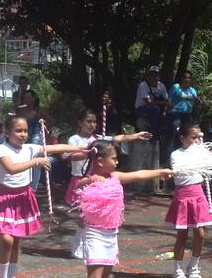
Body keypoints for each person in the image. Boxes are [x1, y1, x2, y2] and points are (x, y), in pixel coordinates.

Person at [65, 140, 172, 278]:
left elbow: (139, 174)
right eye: (113, 158)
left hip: (111, 234)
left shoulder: (115, 177)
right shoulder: (89, 180)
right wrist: (88, 182)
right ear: (99, 160)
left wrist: (160, 172)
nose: (116, 162)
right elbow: (76, 193)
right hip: (94, 233)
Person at [0, 114, 82, 278]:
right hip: (5, 197)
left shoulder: (30, 148)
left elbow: (55, 148)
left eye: (25, 131)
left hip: (23, 197)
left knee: (16, 241)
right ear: (7, 132)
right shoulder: (1, 148)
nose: (23, 134)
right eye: (18, 131)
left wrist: (81, 148)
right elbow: (11, 168)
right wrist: (36, 162)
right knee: (6, 239)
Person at [64, 108, 151, 257]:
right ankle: (78, 242)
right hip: (80, 179)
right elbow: (70, 156)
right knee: (82, 215)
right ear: (80, 123)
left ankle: (89, 242)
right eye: (88, 121)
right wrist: (90, 153)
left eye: (94, 122)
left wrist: (135, 135)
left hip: (97, 181)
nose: (91, 125)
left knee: (89, 215)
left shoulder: (98, 139)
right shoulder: (74, 139)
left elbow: (116, 139)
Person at [166, 124, 212, 278]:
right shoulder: (176, 154)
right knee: (182, 234)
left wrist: (211, 155)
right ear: (182, 138)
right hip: (183, 195)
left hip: (197, 194)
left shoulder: (201, 153)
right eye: (193, 137)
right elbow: (181, 168)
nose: (197, 141)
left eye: (199, 137)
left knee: (200, 233)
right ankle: (177, 269)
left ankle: (194, 267)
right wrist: (204, 156)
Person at [167, 71, 198, 157]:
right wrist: (166, 112)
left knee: (188, 134)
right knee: (174, 132)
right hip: (175, 113)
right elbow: (168, 101)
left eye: (189, 78)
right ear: (182, 78)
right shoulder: (175, 87)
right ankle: (170, 156)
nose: (187, 80)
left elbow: (195, 103)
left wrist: (196, 101)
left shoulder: (192, 90)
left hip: (187, 114)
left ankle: (186, 155)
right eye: (185, 78)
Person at [134, 65, 169, 138]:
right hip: (141, 109)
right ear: (148, 76)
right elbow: (148, 102)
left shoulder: (161, 86)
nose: (154, 77)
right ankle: (153, 133)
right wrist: (163, 103)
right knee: (155, 108)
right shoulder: (143, 85)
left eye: (156, 75)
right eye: (152, 75)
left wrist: (165, 112)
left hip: (156, 110)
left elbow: (166, 100)